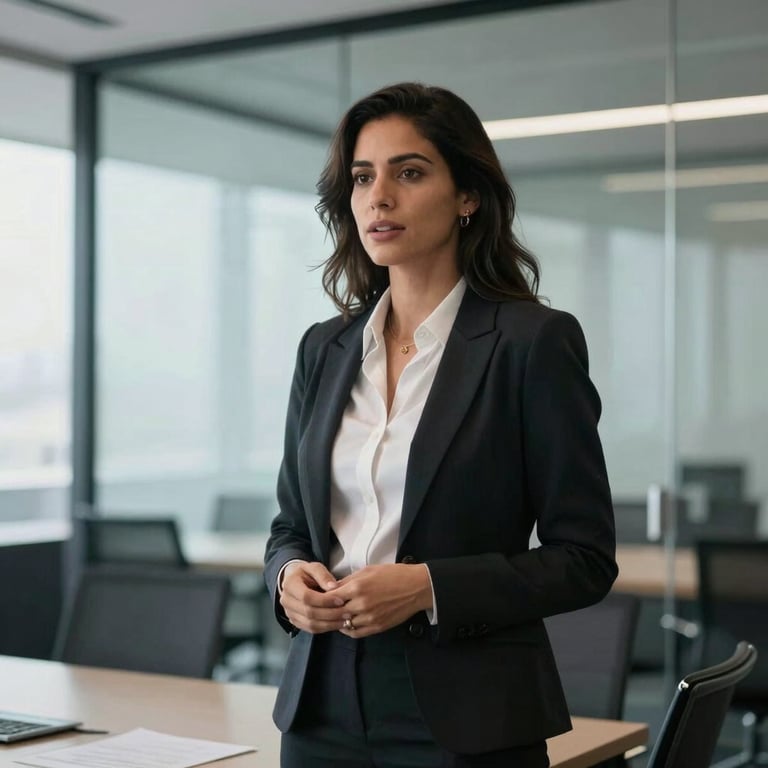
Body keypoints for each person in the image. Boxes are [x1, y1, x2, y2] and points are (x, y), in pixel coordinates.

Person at [264, 82, 617, 768]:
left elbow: (584, 559)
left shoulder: (531, 343)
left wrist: (428, 587)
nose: (379, 197)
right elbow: (290, 528)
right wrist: (288, 581)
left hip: (469, 712)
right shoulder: (323, 348)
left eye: (409, 173)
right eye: (362, 177)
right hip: (320, 706)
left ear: (467, 196)